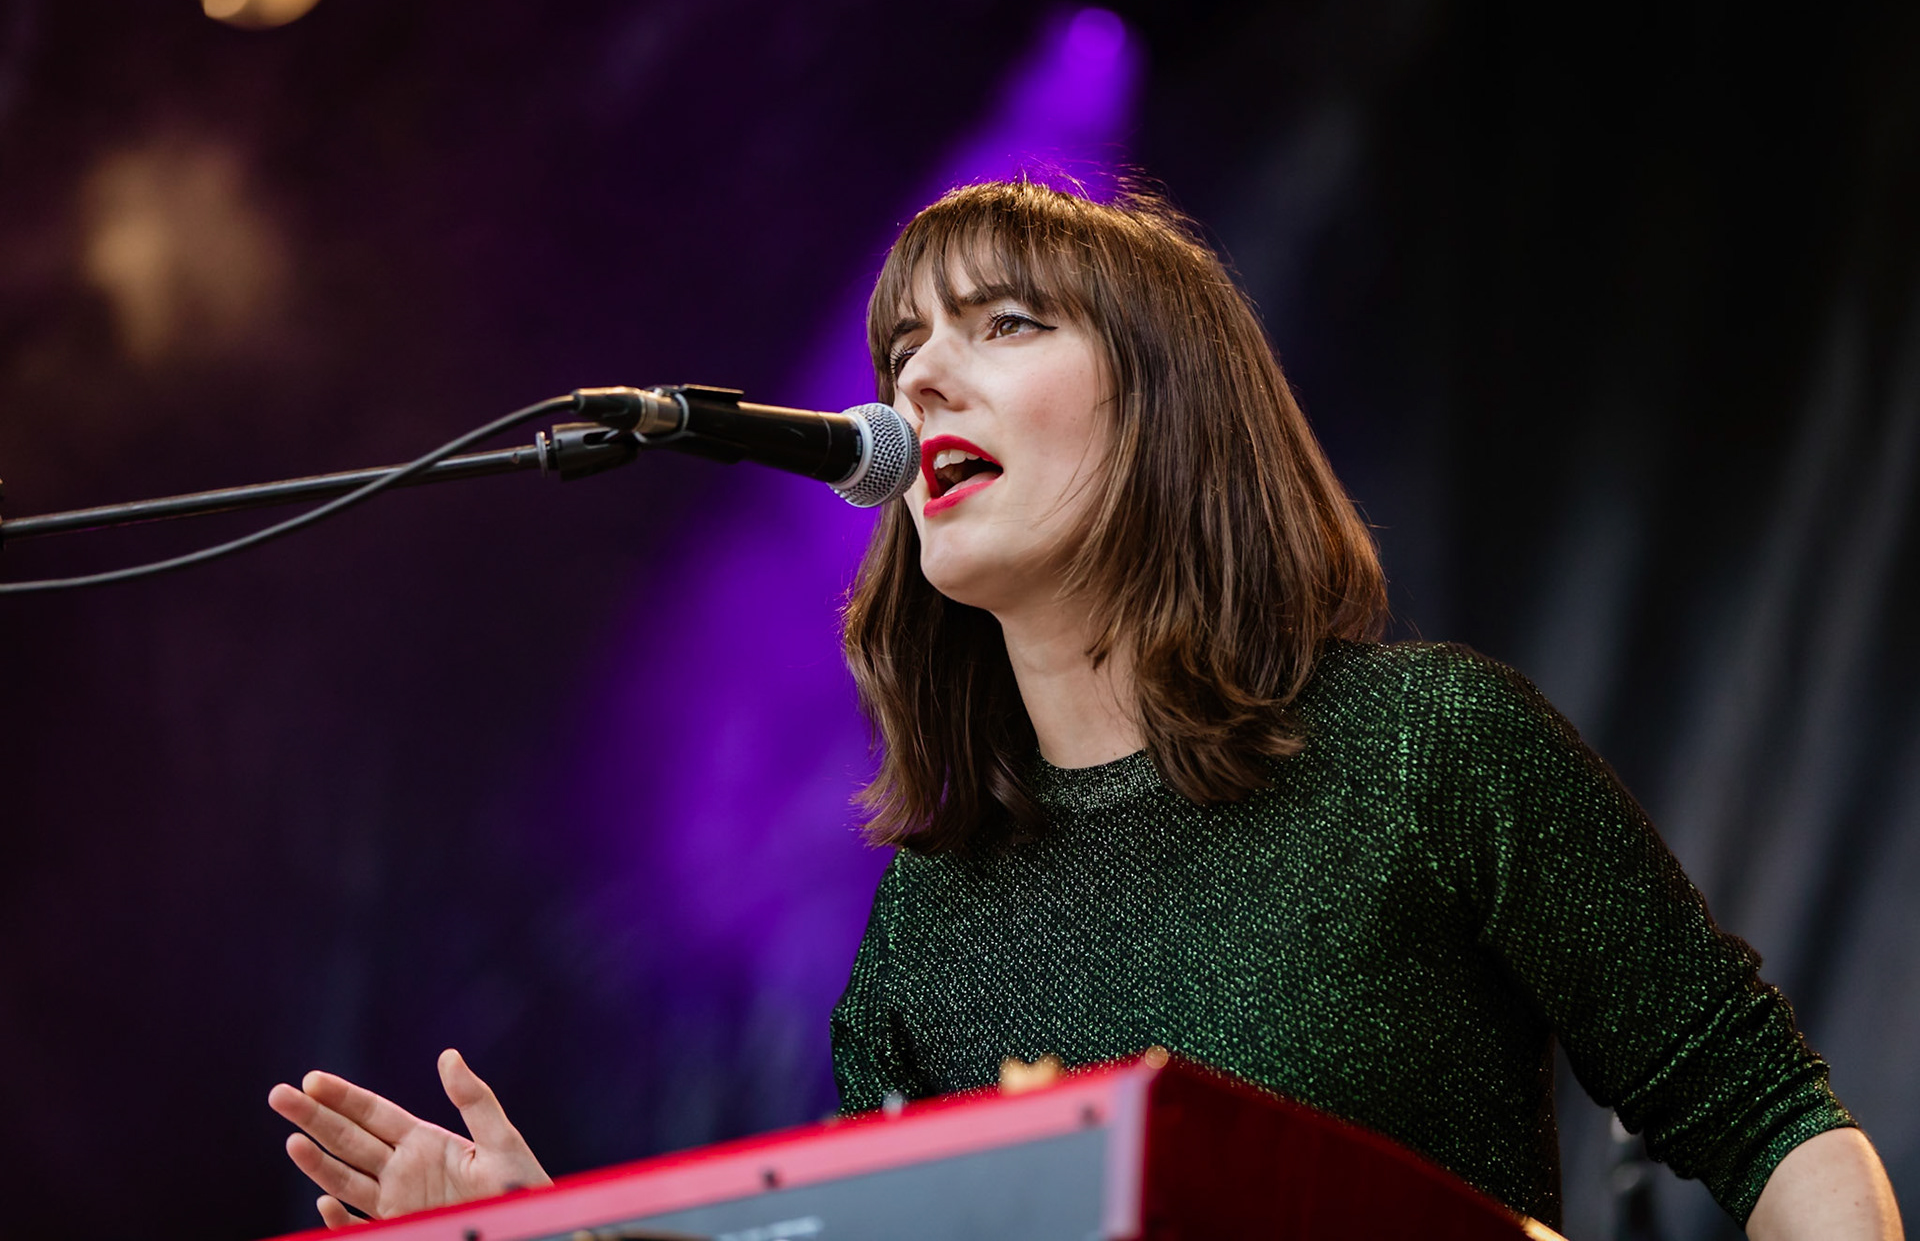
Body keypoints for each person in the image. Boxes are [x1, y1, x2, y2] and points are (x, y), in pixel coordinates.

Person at [269, 180, 1905, 1239]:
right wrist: (558, 1235)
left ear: (1172, 408)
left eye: (1003, 325)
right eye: (904, 344)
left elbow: (1779, 1134)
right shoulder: (933, 915)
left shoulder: (1431, 752)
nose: (916, 381)